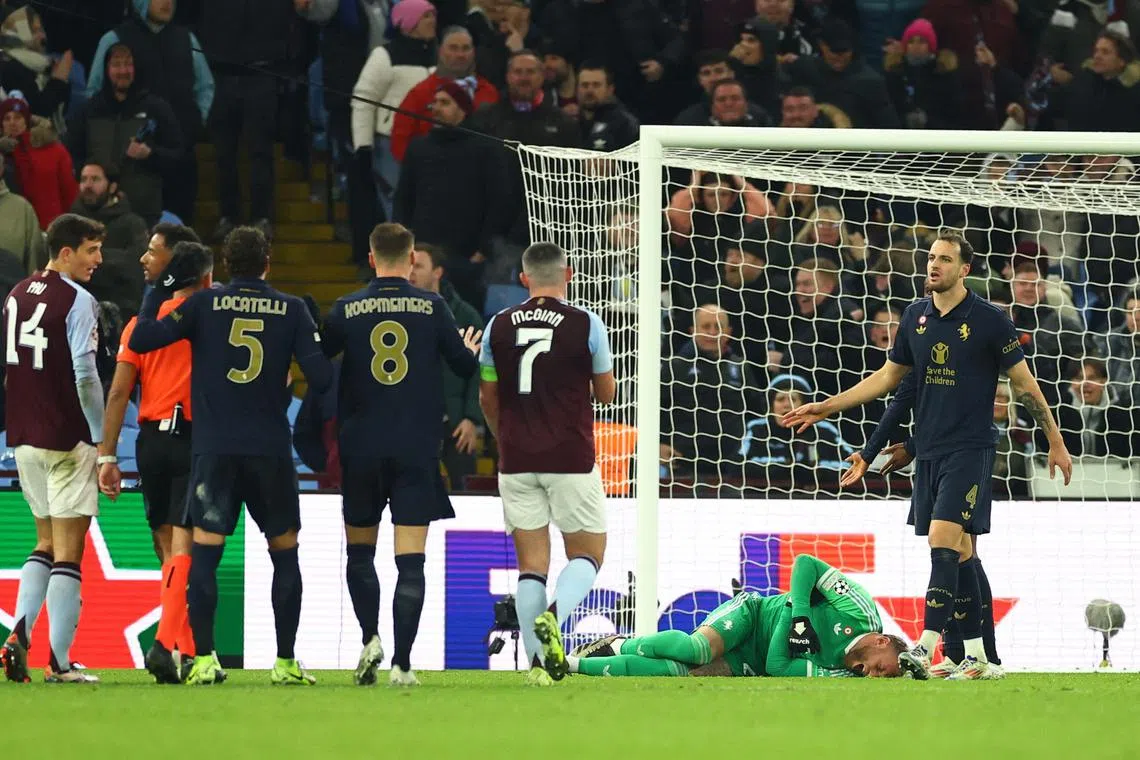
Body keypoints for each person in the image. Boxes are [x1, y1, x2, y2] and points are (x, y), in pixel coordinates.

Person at [783, 231, 1073, 680]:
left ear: (964, 269)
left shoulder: (990, 320)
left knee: (944, 538)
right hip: (929, 454)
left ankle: (926, 646)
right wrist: (827, 406)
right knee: (962, 554)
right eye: (930, 258)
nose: (933, 265)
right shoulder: (915, 317)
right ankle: (976, 657)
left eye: (943, 259)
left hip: (972, 450)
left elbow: (1026, 386)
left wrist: (1055, 441)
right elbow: (888, 381)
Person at [127, 227, 333, 686]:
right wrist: (312, 336)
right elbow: (321, 380)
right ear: (268, 261)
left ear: (224, 264)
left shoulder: (202, 304)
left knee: (204, 556)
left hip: (214, 449)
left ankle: (203, 659)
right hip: (269, 451)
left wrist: (156, 289)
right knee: (285, 555)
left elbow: (140, 340)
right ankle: (284, 662)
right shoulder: (292, 308)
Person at [320, 223, 481, 687]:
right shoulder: (433, 306)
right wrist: (468, 350)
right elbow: (463, 365)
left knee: (360, 553)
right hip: (415, 449)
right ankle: (403, 665)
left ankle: (370, 638)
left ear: (371, 259)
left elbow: (319, 358)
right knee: (410, 561)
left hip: (361, 448)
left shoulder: (348, 307)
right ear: (411, 259)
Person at [478, 242, 616, 686]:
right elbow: (607, 392)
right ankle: (555, 618)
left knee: (531, 567)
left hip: (516, 458)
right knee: (588, 553)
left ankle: (538, 668)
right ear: (569, 274)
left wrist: (506, 438)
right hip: (570, 456)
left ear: (524, 279)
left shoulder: (497, 325)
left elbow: (488, 394)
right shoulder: (586, 323)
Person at [98, 232, 208, 684]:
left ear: (174, 259)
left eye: (153, 250)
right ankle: (171, 646)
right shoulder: (211, 314)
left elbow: (121, 390)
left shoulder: (139, 324)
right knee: (182, 544)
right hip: (192, 437)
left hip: (149, 441)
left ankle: (180, 650)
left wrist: (107, 454)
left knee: (165, 544)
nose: (144, 258)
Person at [0, 214, 106, 684]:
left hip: (23, 437)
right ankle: (59, 663)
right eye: (90, 250)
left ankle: (16, 637)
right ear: (65, 253)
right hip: (67, 439)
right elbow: (85, 375)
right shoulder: (79, 301)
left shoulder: (16, 294)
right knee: (68, 552)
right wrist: (101, 439)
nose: (98, 260)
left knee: (43, 542)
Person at [557, 554, 905, 679]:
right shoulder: (860, 610)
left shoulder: (842, 673)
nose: (873, 676)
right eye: (882, 667)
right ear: (882, 641)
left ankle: (571, 666)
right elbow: (806, 564)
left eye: (881, 678)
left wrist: (789, 616)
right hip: (752, 615)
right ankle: (620, 645)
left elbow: (777, 667)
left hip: (751, 662)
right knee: (697, 651)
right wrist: (800, 615)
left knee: (679, 673)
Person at [407, 243, 485, 491]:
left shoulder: (466, 316)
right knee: (412, 491)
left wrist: (472, 418)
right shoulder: (401, 313)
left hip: (456, 422)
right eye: (410, 265)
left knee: (466, 491)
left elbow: (479, 370)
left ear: (438, 272)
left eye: (418, 266)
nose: (411, 272)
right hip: (413, 421)